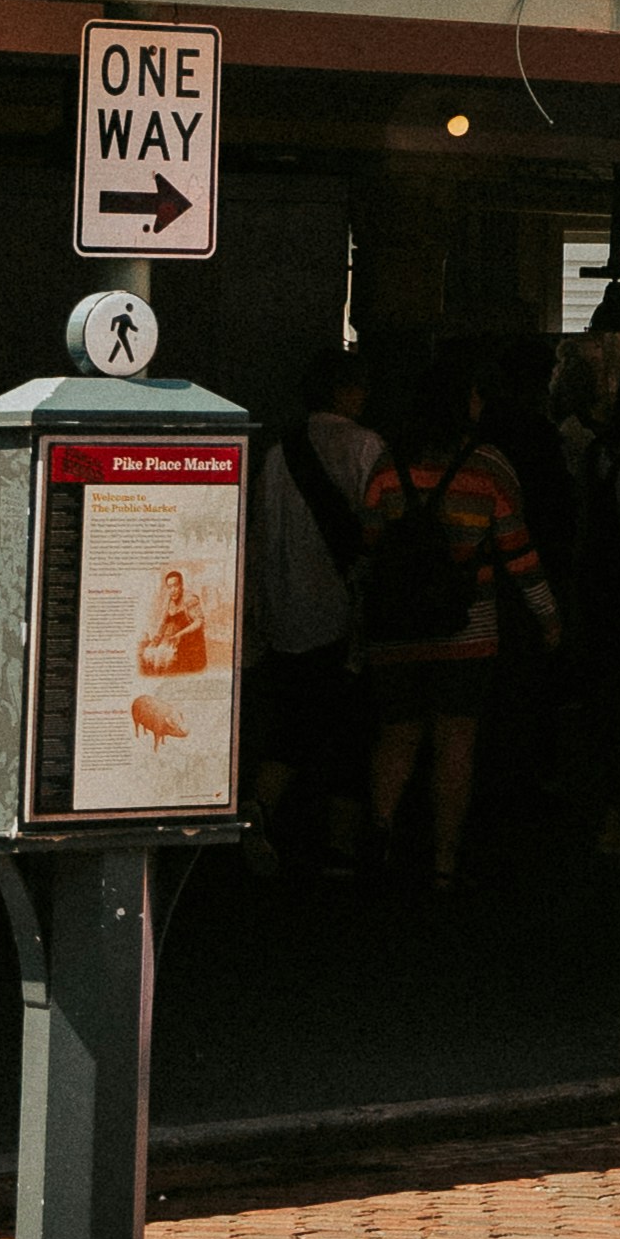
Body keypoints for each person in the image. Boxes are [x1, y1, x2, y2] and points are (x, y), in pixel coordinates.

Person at [362, 353, 563, 887]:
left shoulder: (387, 464)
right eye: (474, 394)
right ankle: (445, 862)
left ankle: (379, 843)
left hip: (394, 629)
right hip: (467, 630)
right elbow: (519, 555)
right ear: (462, 402)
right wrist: (548, 616)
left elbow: (370, 548)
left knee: (396, 738)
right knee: (456, 743)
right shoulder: (487, 466)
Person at [246, 348, 389, 877]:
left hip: (286, 610)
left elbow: (260, 534)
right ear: (347, 391)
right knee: (350, 730)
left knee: (291, 721)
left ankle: (258, 809)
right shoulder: (365, 445)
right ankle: (341, 846)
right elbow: (377, 529)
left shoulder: (278, 450)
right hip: (342, 610)